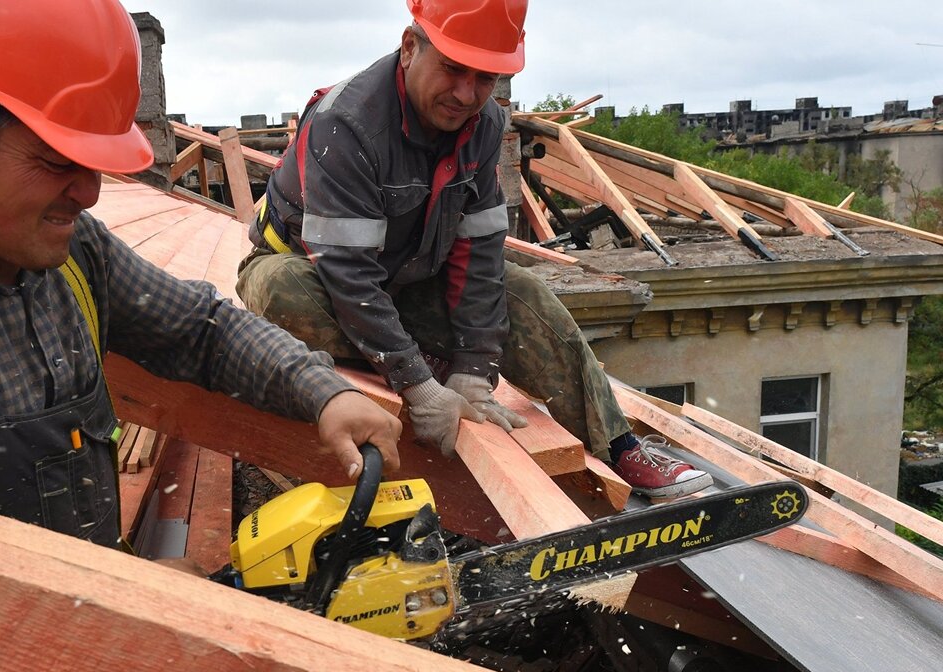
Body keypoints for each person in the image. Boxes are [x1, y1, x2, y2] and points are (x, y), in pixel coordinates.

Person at [0, 0, 401, 548]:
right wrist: (142, 609)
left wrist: (322, 390)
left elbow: (201, 330)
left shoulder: (65, 255)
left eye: (95, 162)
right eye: (55, 160)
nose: (88, 194)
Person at [236, 0, 710, 499]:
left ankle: (619, 446)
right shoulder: (347, 126)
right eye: (453, 69)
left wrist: (473, 370)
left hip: (405, 280)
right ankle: (407, 362)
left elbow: (479, 254)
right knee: (281, 291)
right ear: (410, 46)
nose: (466, 94)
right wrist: (418, 385)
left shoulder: (484, 128)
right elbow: (348, 275)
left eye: (484, 78)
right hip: (312, 274)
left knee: (522, 289)